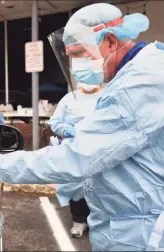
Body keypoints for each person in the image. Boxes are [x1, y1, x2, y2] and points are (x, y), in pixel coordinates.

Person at [0, 3, 164, 251]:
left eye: (79, 53)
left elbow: (76, 159)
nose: (76, 65)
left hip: (149, 237)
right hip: (143, 227)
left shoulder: (143, 81)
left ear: (110, 41)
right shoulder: (151, 69)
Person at [48, 82, 103, 237]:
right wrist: (68, 130)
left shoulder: (107, 96)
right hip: (75, 149)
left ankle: (99, 222)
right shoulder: (69, 99)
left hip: (100, 150)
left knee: (101, 186)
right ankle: (79, 221)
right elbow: (55, 122)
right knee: (75, 186)